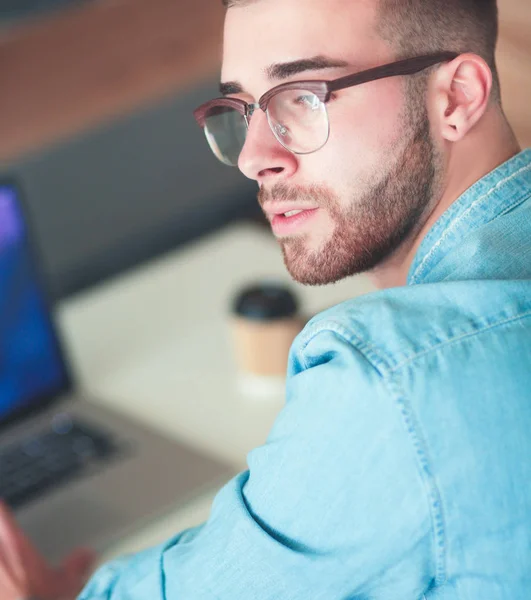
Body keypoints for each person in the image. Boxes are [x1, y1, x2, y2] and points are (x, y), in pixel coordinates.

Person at [2, 0, 530, 597]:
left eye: (304, 97)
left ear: (456, 97)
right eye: (242, 109)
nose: (254, 158)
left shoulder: (393, 377)